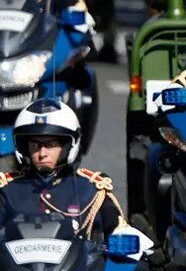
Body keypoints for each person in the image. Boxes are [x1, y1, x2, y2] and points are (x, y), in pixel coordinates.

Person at [0, 98, 123, 240]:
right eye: (35, 145)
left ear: (67, 147)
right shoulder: (7, 190)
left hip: (77, 262)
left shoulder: (92, 191)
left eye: (50, 145)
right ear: (23, 147)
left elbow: (119, 231)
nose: (42, 154)